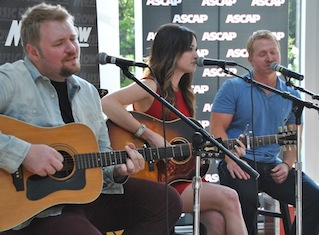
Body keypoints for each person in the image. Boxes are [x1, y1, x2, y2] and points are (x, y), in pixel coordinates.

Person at [0, 3, 182, 235]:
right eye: (59, 43)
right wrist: (24, 153)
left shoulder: (87, 92)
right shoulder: (11, 80)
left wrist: (117, 171)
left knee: (166, 201)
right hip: (36, 211)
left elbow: (102, 156)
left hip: (85, 198)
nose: (72, 48)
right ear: (33, 52)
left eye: (73, 39)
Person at [102, 23, 248, 235]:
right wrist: (149, 135)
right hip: (157, 178)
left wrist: (227, 149)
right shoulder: (151, 86)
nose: (196, 55)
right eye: (191, 49)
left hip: (182, 176)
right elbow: (108, 103)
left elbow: (188, 144)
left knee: (217, 221)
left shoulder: (185, 93)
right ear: (172, 50)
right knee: (231, 197)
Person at [210, 29, 319, 234]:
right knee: (246, 200)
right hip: (239, 162)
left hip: (272, 165)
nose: (270, 58)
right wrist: (231, 158)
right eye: (262, 54)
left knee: (317, 198)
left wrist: (287, 164)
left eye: (273, 52)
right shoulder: (233, 88)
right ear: (250, 59)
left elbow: (293, 139)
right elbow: (217, 129)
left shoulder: (291, 94)